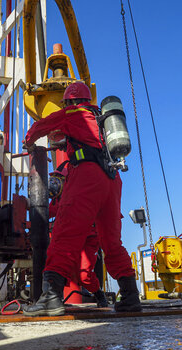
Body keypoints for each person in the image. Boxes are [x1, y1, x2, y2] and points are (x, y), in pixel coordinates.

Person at [23, 82, 141, 316]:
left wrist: (29, 141)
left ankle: (51, 298)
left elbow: (40, 126)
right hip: (112, 179)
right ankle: (130, 296)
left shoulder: (71, 114)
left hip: (87, 175)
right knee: (111, 242)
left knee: (64, 233)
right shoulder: (101, 118)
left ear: (68, 101)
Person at [48, 167, 108, 308]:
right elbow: (47, 212)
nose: (55, 184)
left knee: (84, 275)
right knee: (58, 267)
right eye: (54, 181)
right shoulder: (59, 199)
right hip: (70, 237)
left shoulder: (83, 194)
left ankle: (99, 294)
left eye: (58, 180)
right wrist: (28, 205)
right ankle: (54, 299)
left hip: (89, 237)